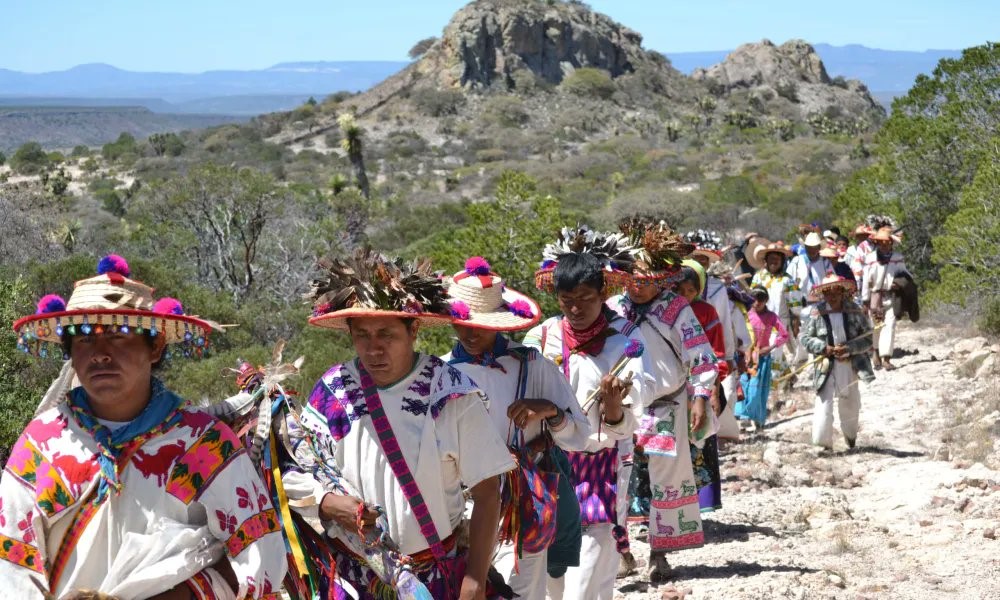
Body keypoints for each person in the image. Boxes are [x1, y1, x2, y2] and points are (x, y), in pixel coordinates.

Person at [3, 255, 287, 599]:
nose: (100, 354)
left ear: (155, 347)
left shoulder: (202, 443)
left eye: (119, 336)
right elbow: (11, 562)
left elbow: (262, 551)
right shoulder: (43, 443)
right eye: (84, 339)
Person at [283, 248, 516, 599]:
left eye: (386, 335)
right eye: (362, 335)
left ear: (413, 331)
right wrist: (325, 502)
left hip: (437, 577)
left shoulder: (449, 393)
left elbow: (487, 493)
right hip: (358, 577)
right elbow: (296, 467)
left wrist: (473, 581)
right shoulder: (334, 391)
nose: (374, 348)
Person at [441, 256, 591, 599]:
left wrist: (550, 411)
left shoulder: (532, 366)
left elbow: (579, 437)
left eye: (480, 324)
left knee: (518, 590)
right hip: (458, 508)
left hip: (522, 503)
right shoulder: (441, 374)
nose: (469, 333)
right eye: (461, 323)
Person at [523, 226, 650, 600]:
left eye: (585, 298)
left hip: (602, 463)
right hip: (550, 463)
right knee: (555, 572)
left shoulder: (626, 343)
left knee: (590, 561)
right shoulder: (543, 338)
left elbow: (632, 415)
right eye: (566, 300)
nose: (576, 309)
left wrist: (614, 412)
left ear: (604, 295)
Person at [607, 220, 720, 582]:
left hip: (667, 407)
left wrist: (700, 397)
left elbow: (701, 355)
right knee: (617, 480)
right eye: (633, 279)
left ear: (661, 278)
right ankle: (621, 552)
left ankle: (660, 553)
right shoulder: (611, 309)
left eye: (646, 280)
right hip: (620, 408)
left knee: (665, 483)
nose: (638, 287)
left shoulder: (676, 309)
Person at [674, 260, 729, 513]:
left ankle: (700, 503)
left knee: (700, 439)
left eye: (690, 290)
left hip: (701, 385)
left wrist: (712, 389)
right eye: (679, 289)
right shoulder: (663, 312)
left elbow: (716, 352)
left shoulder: (706, 312)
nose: (685, 296)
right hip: (673, 385)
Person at [799, 275, 874, 451]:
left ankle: (850, 437)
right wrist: (824, 348)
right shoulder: (817, 312)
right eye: (828, 293)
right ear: (823, 294)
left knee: (850, 401)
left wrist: (849, 348)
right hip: (826, 365)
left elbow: (868, 338)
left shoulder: (854, 311)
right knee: (824, 401)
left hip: (849, 364)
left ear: (842, 293)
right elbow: (805, 337)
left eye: (836, 293)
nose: (832, 297)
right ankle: (823, 444)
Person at [735, 287, 789, 429]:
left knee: (757, 388)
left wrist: (770, 347)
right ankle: (744, 416)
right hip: (744, 357)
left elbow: (784, 334)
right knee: (743, 385)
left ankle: (757, 417)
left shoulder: (771, 317)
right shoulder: (745, 314)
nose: (757, 302)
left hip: (762, 358)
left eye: (761, 299)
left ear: (766, 301)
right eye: (754, 299)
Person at [749, 240, 803, 373]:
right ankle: (787, 377)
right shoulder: (758, 277)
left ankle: (773, 387)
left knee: (772, 353)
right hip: (759, 322)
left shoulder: (788, 280)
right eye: (771, 258)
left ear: (782, 261)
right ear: (766, 260)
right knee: (758, 351)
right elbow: (750, 299)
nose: (774, 262)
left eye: (777, 259)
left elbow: (795, 306)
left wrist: (796, 321)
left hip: (778, 323)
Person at [861, 227, 911, 371]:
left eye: (886, 242)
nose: (884, 245)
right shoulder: (870, 258)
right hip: (875, 296)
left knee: (890, 326)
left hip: (892, 295)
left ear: (891, 242)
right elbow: (865, 281)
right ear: (877, 242)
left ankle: (886, 358)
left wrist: (899, 283)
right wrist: (865, 300)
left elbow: (905, 274)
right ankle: (875, 352)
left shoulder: (897, 258)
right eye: (880, 242)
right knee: (876, 326)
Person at [786, 231, 834, 312]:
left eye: (814, 247)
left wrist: (823, 296)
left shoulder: (826, 263)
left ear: (819, 247)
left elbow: (833, 283)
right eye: (809, 247)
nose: (811, 250)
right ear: (805, 247)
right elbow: (788, 282)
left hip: (822, 308)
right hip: (802, 308)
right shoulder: (797, 261)